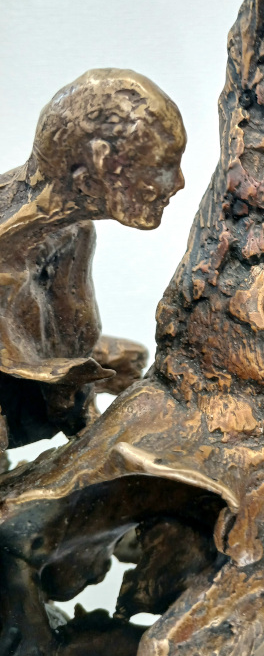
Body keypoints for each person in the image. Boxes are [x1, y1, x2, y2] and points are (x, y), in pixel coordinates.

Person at [0, 68, 186, 453]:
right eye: (162, 166)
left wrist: (75, 400)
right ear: (101, 164)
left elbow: (76, 337)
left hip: (39, 382)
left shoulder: (73, 232)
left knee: (130, 362)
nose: (178, 182)